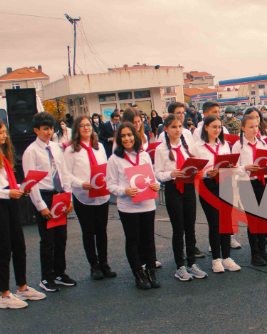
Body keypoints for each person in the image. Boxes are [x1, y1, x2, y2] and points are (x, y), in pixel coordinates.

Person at [0, 116, 45, 309]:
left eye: (5, 132)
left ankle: (22, 287)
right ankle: (4, 295)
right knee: (4, 248)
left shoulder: (0, 153)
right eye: (1, 132)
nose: (5, 135)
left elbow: (5, 181)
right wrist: (6, 193)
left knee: (19, 245)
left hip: (10, 201)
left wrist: (22, 188)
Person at [23, 112, 76, 292]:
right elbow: (31, 182)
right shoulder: (31, 151)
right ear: (36, 130)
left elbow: (64, 173)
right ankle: (47, 277)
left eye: (51, 128)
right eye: (45, 129)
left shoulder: (55, 147)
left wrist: (68, 197)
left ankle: (60, 273)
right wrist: (41, 206)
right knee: (48, 240)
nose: (48, 132)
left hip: (59, 195)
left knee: (61, 238)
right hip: (44, 196)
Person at [106, 122, 161, 289]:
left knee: (149, 239)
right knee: (133, 240)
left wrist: (156, 184)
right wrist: (124, 190)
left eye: (129, 135)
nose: (126, 138)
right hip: (128, 206)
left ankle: (151, 271)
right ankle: (138, 273)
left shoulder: (143, 155)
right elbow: (110, 185)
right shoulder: (114, 159)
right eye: (122, 136)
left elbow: (151, 177)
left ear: (135, 136)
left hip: (147, 204)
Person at [153, 115, 208, 282]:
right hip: (173, 188)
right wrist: (171, 174)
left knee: (190, 227)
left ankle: (191, 263)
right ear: (166, 130)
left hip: (189, 187)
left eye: (179, 126)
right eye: (174, 127)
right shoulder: (161, 149)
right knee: (179, 229)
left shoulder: (186, 145)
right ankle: (180, 266)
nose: (177, 130)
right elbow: (158, 174)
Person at [64, 115, 117, 280]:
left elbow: (105, 166)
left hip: (101, 195)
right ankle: (93, 265)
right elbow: (66, 174)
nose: (86, 128)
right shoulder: (71, 150)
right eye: (82, 126)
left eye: (88, 125)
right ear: (76, 130)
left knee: (102, 231)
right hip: (83, 196)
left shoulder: (99, 146)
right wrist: (80, 183)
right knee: (88, 232)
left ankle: (104, 263)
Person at [195, 115, 241, 273]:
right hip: (208, 185)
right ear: (206, 127)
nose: (217, 130)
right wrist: (208, 172)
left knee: (226, 221)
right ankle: (216, 259)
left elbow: (228, 162)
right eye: (213, 126)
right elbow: (195, 170)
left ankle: (227, 257)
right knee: (215, 223)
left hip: (225, 182)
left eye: (219, 127)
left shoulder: (224, 145)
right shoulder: (197, 147)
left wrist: (231, 168)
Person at [233, 113, 267, 265]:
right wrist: (245, 167)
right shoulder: (238, 145)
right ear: (243, 128)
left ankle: (263, 251)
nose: (254, 130)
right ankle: (255, 253)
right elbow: (233, 167)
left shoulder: (262, 143)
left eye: (256, 126)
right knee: (253, 220)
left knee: (263, 218)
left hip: (262, 181)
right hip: (247, 183)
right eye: (251, 127)